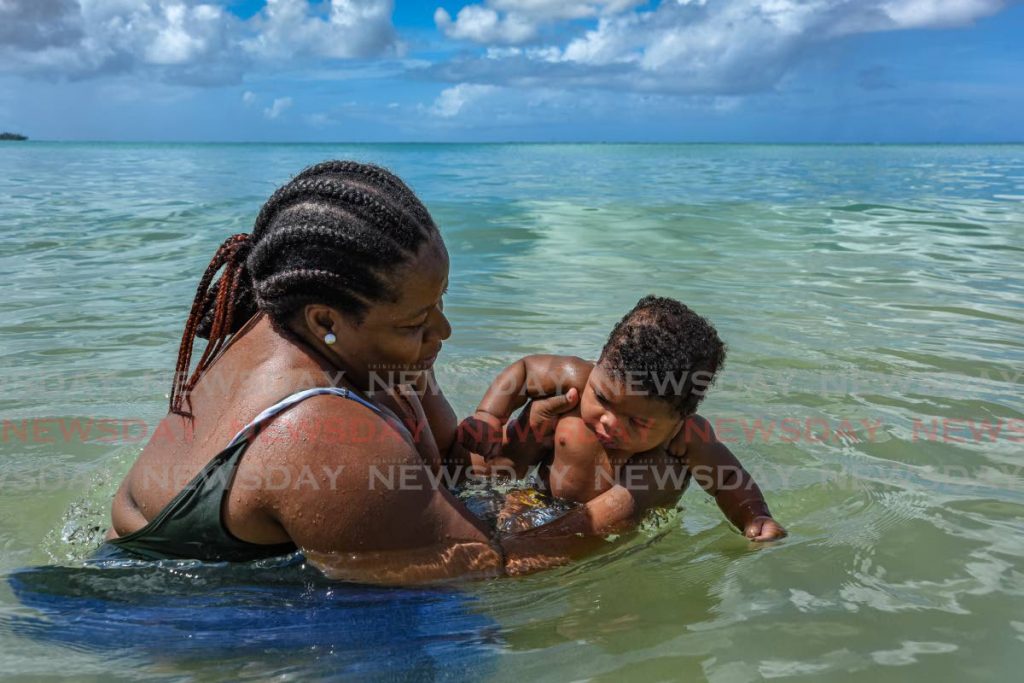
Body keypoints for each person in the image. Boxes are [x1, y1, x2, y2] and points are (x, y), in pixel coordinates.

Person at [104, 160, 600, 583]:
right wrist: (639, 498)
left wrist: (524, 435)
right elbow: (486, 570)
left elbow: (446, 467)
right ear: (325, 320)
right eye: (417, 321)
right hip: (168, 619)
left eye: (440, 302)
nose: (443, 331)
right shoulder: (317, 433)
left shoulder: (359, 346)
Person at [457, 295, 788, 541]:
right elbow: (525, 371)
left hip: (615, 536)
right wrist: (489, 416)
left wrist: (754, 516)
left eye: (638, 422)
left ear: (681, 417)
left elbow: (728, 480)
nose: (610, 422)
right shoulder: (578, 378)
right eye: (602, 398)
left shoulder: (687, 436)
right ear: (600, 361)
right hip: (534, 500)